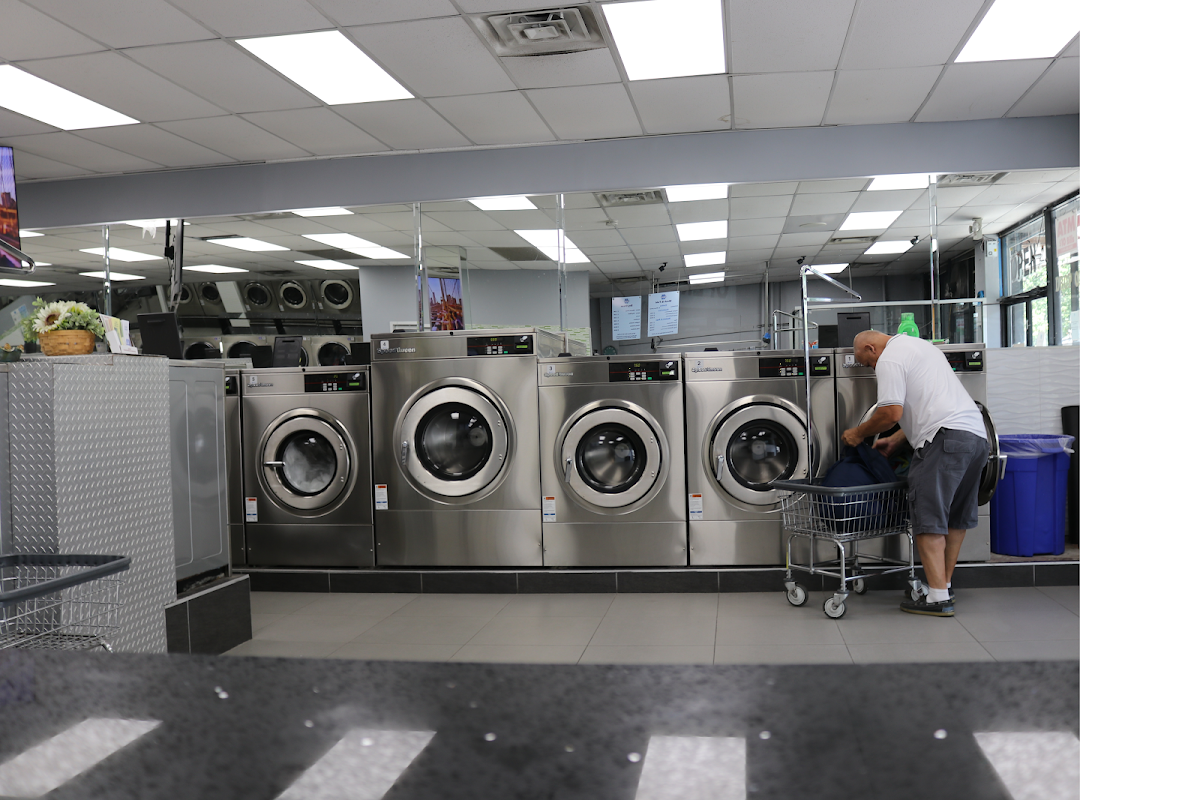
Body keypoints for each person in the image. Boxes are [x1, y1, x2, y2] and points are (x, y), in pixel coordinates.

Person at [840, 330, 989, 617]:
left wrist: (857, 433)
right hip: (975, 438)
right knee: (955, 518)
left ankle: (936, 599)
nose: (872, 367)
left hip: (943, 442)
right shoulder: (921, 347)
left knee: (927, 518)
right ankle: (943, 586)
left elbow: (890, 413)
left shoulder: (889, 359)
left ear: (872, 348)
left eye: (867, 362)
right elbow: (930, 404)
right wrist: (896, 440)